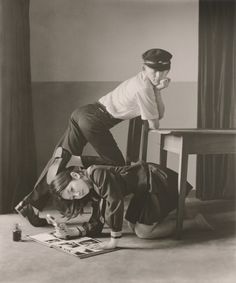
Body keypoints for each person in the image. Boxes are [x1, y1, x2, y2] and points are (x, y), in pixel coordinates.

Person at [15, 48, 173, 224]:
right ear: (144, 68)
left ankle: (31, 204)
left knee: (60, 159)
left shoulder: (141, 81)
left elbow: (156, 114)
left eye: (164, 71)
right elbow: (155, 121)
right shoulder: (144, 88)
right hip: (94, 120)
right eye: (154, 71)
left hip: (82, 113)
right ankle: (95, 217)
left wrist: (156, 89)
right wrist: (156, 91)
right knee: (117, 168)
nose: (159, 76)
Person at [44, 154, 213, 250]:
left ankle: (192, 221)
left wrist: (113, 241)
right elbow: (98, 220)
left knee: (143, 233)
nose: (77, 195)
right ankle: (178, 208)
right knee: (132, 224)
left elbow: (115, 202)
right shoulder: (91, 188)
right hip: (143, 189)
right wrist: (72, 232)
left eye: (72, 190)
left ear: (75, 176)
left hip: (156, 181)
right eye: (73, 197)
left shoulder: (96, 173)